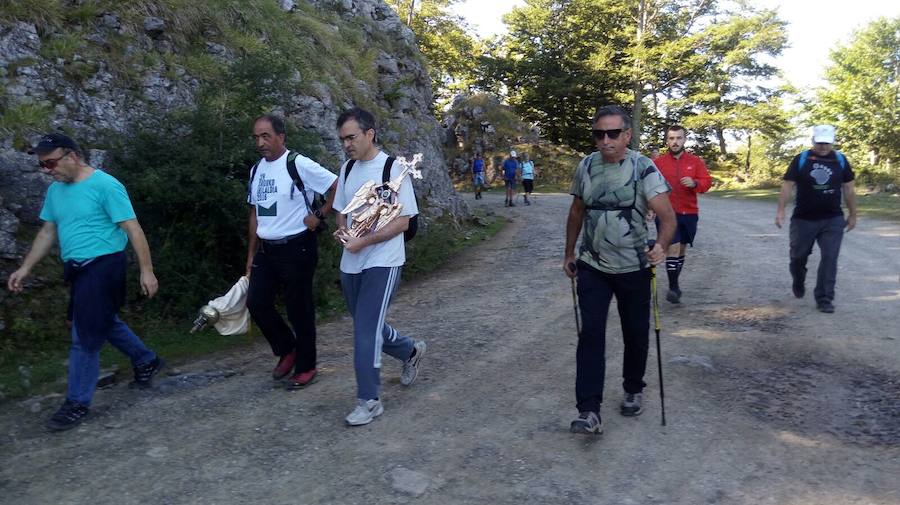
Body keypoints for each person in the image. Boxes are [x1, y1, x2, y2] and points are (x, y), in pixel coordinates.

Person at [7, 133, 164, 431]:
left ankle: (77, 403)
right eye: (42, 165)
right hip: (77, 269)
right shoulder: (56, 191)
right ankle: (146, 360)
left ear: (72, 156)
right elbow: (47, 232)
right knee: (103, 321)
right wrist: (25, 267)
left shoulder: (105, 185)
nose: (47, 170)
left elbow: (132, 228)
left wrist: (147, 271)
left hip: (105, 266)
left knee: (84, 335)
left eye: (50, 162)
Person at [563, 105, 676, 435]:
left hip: (634, 267)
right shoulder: (586, 166)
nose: (606, 140)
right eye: (600, 134)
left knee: (635, 332)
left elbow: (668, 218)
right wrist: (569, 253)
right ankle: (588, 410)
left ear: (627, 135)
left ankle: (633, 387)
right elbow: (576, 212)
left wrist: (661, 246)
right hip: (593, 265)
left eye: (613, 133)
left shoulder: (644, 169)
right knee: (591, 335)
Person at [332, 107, 426, 426]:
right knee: (366, 325)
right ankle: (410, 350)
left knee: (364, 330)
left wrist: (365, 242)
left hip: (383, 261)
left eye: (351, 137)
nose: (346, 144)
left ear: (370, 134)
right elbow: (340, 210)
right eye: (342, 139)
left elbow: (403, 222)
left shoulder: (392, 168)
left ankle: (369, 400)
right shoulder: (346, 170)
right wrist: (343, 230)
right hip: (352, 261)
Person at [245, 114, 337, 389]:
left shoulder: (297, 164)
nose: (261, 142)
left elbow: (337, 186)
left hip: (298, 246)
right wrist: (250, 254)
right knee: (256, 302)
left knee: (299, 309)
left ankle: (306, 366)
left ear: (281, 137)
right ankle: (288, 349)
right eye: (257, 137)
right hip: (267, 248)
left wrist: (320, 214)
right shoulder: (255, 170)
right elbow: (255, 213)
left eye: (266, 136)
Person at [776, 124, 857, 314]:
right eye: (819, 142)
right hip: (804, 218)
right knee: (798, 256)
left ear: (832, 142)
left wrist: (853, 214)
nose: (823, 147)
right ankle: (798, 278)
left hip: (832, 218)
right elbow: (788, 185)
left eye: (827, 143)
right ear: (813, 140)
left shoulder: (840, 160)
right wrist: (781, 210)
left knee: (830, 257)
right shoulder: (802, 159)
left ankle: (824, 298)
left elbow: (849, 189)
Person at [652, 125, 712, 304]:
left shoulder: (695, 162)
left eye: (678, 138)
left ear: (684, 140)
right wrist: (649, 207)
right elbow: (649, 186)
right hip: (666, 213)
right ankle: (673, 287)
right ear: (667, 141)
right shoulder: (658, 163)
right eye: (671, 138)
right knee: (674, 246)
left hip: (689, 212)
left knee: (681, 248)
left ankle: (674, 283)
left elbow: (707, 182)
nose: (675, 142)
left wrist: (695, 183)